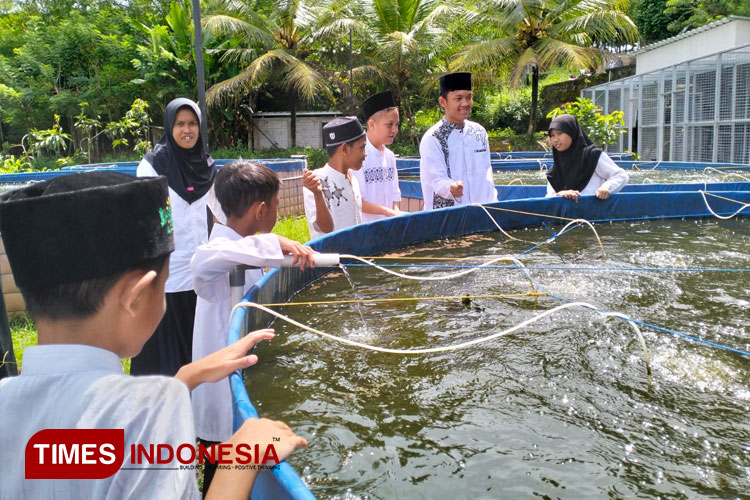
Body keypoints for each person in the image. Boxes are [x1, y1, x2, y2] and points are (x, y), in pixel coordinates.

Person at [0, 171, 307, 499]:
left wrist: (185, 378)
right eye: (163, 285)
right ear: (136, 297)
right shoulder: (152, 411)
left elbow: (63, 457)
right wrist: (241, 457)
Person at [190, 161, 316, 495]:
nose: (276, 213)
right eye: (275, 206)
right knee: (220, 467)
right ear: (262, 210)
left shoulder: (243, 246)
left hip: (240, 375)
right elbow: (202, 260)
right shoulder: (219, 252)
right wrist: (274, 241)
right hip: (219, 391)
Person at [131, 97, 222, 376]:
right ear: (170, 126)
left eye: (192, 123)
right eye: (180, 124)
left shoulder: (207, 167)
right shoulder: (153, 165)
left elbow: (219, 215)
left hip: (202, 269)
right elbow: (145, 219)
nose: (187, 130)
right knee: (167, 354)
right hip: (168, 271)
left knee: (199, 343)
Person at [419, 72, 497, 210]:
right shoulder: (433, 137)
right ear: (443, 102)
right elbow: (435, 179)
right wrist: (451, 187)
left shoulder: (479, 132)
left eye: (469, 97)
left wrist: (493, 203)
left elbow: (487, 173)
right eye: (458, 98)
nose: (465, 103)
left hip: (483, 211)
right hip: (447, 216)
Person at [303, 116, 366, 238]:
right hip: (331, 256)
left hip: (355, 254)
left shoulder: (353, 180)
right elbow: (326, 228)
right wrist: (317, 194)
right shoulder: (317, 181)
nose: (365, 153)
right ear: (344, 149)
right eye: (362, 147)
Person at [545, 114, 629, 202]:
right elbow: (549, 198)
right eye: (552, 135)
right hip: (566, 215)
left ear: (572, 132)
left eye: (559, 133)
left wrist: (606, 187)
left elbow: (620, 176)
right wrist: (561, 194)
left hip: (595, 213)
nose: (555, 139)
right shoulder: (555, 170)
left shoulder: (592, 156)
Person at [351, 90, 402, 222]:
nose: (394, 130)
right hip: (367, 229)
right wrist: (386, 212)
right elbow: (357, 200)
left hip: (389, 227)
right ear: (371, 124)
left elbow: (395, 196)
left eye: (396, 124)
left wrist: (395, 214)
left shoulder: (390, 157)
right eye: (389, 124)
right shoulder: (358, 157)